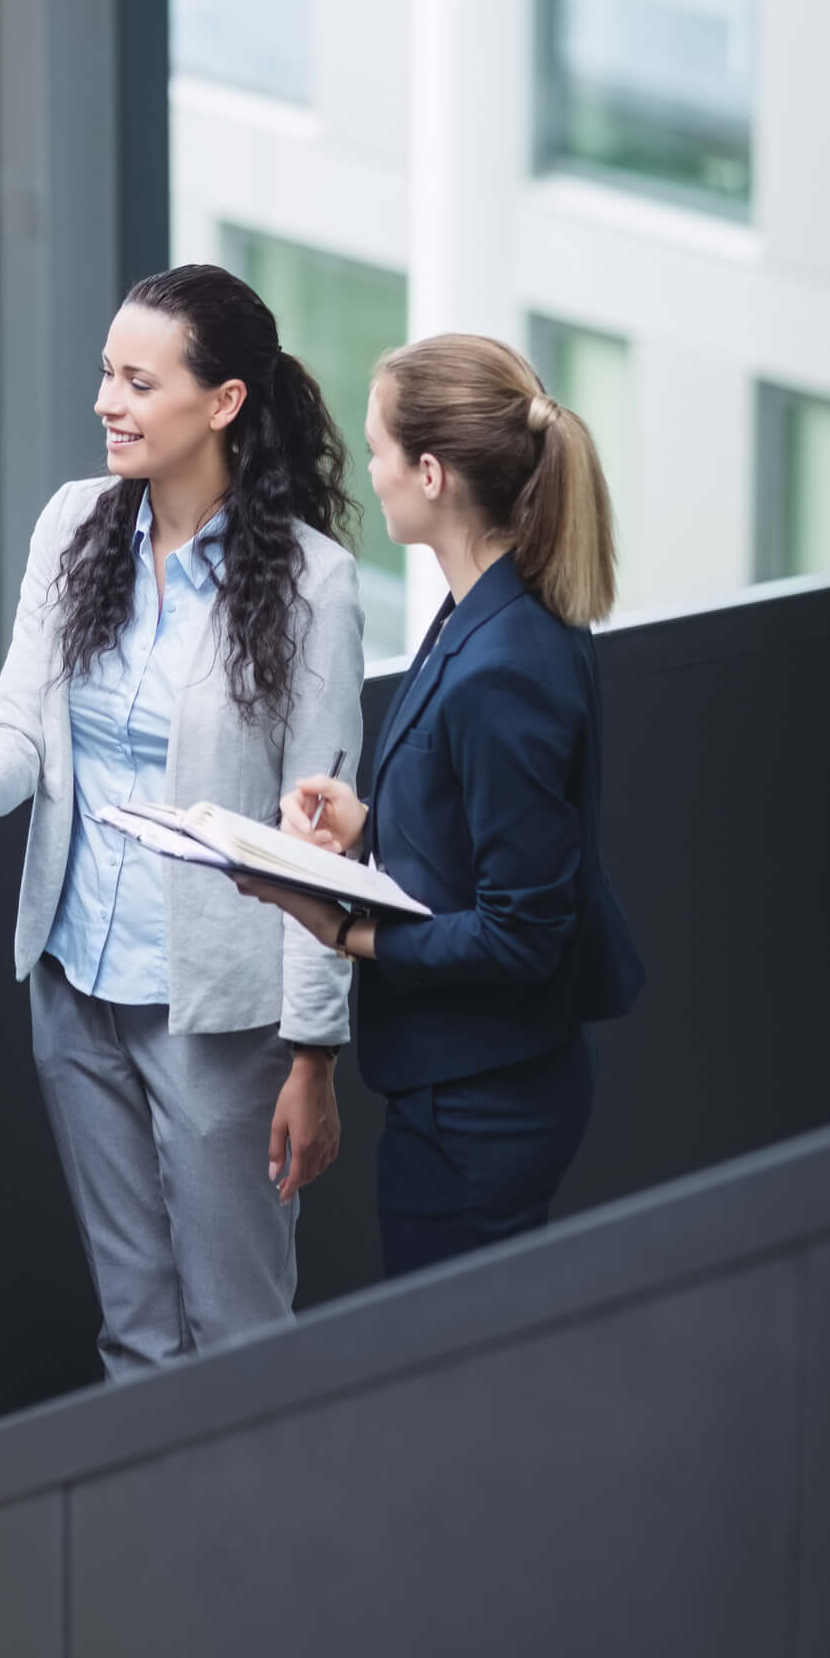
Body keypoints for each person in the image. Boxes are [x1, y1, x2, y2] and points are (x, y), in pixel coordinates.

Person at [0, 263, 365, 1379]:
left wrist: (315, 1053)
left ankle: (259, 1550)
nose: (106, 402)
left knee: (239, 1335)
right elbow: (22, 727)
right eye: (104, 374)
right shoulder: (73, 523)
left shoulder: (313, 586)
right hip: (74, 985)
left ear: (224, 402)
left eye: (139, 379)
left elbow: (316, 839)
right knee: (132, 1327)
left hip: (219, 1021)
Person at [239, 333, 646, 1278]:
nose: (368, 469)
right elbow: (486, 824)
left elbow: (521, 934)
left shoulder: (508, 659)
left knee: (458, 1392)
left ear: (432, 473)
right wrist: (368, 824)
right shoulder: (483, 610)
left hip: (483, 1101)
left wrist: (344, 932)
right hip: (466, 1083)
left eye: (379, 449)